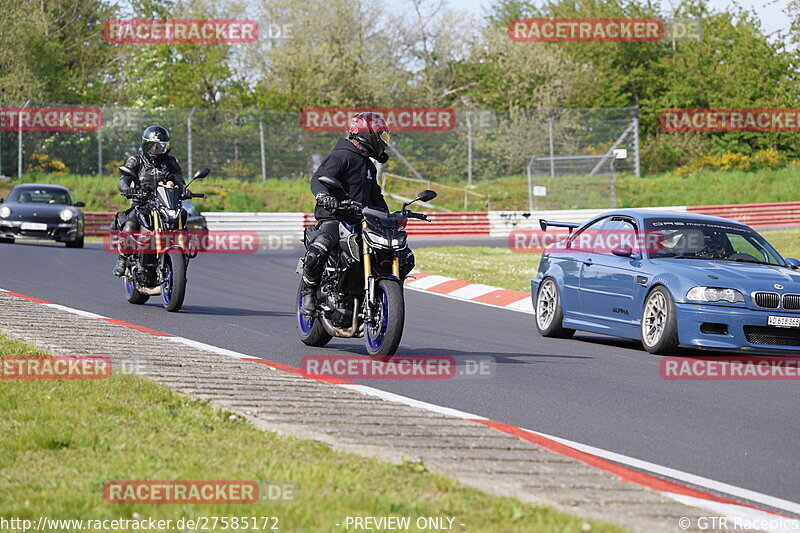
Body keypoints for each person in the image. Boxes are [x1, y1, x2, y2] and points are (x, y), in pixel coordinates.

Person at [300, 111, 413, 315]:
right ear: (367, 134)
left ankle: (382, 295)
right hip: (335, 216)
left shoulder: (369, 165)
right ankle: (309, 293)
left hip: (362, 221)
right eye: (381, 136)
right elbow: (319, 179)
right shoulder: (341, 155)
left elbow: (376, 199)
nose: (383, 142)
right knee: (322, 246)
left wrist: (389, 217)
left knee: (404, 254)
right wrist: (324, 196)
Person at [112, 125, 184, 276]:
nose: (155, 150)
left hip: (164, 204)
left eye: (159, 147)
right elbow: (123, 180)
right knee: (130, 223)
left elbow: (179, 181)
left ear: (166, 147)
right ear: (144, 145)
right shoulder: (136, 160)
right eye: (151, 146)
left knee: (182, 216)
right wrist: (128, 189)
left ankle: (181, 257)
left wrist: (184, 189)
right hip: (142, 203)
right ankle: (123, 258)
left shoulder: (170, 162)